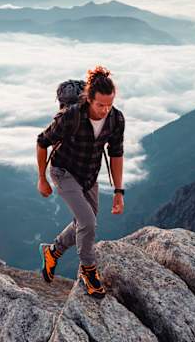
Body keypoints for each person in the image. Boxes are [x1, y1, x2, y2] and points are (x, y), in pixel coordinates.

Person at [35, 66, 126, 298]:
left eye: (109, 104)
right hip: (63, 171)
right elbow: (42, 141)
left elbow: (116, 154)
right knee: (88, 221)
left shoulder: (116, 119)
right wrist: (42, 179)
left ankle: (53, 251)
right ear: (89, 98)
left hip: (88, 175)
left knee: (85, 221)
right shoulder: (71, 116)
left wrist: (118, 191)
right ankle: (88, 271)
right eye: (100, 105)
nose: (105, 110)